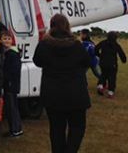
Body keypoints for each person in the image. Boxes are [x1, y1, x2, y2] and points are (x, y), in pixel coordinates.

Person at [32, 14, 92, 153]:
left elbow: (37, 61)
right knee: (77, 128)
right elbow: (87, 62)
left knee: (56, 129)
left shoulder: (44, 44)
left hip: (53, 94)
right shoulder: (77, 45)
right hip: (76, 94)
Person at [1, 31, 23, 137]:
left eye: (8, 39)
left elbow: (13, 71)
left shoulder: (12, 54)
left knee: (12, 108)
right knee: (11, 107)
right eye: (4, 39)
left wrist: (8, 81)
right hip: (9, 84)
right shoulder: (7, 53)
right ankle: (14, 128)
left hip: (11, 85)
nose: (6, 41)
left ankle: (15, 129)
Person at [95, 31, 127, 98]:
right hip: (112, 64)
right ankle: (110, 93)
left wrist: (99, 55)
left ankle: (100, 86)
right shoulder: (116, 45)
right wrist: (124, 60)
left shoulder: (103, 42)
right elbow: (121, 54)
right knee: (112, 78)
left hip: (103, 62)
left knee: (103, 74)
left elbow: (96, 49)